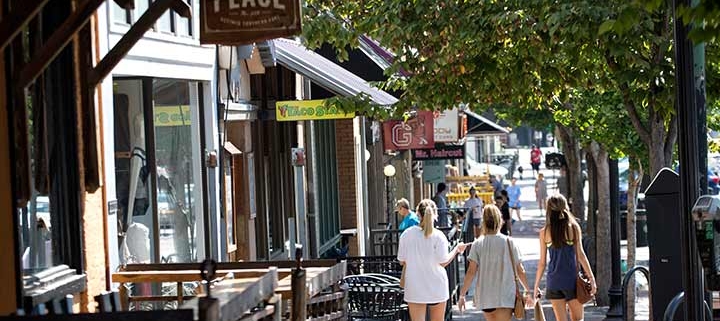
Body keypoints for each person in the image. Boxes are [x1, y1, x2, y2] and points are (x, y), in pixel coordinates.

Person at [457, 205, 531, 321]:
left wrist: (462, 295)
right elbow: (520, 270)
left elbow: (471, 272)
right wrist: (528, 290)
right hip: (504, 295)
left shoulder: (478, 244)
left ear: (484, 222)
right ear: (499, 220)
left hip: (486, 297)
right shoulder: (509, 242)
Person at [398, 199, 469, 321]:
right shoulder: (439, 236)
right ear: (435, 214)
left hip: (414, 286)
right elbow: (443, 262)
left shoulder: (406, 235)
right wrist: (456, 250)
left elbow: (402, 261)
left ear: (418, 214)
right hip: (437, 286)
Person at [533, 194, 597, 321]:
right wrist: (591, 279)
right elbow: (581, 256)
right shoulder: (573, 228)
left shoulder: (544, 232)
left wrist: (536, 286)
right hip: (572, 281)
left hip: (554, 282)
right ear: (565, 207)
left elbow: (542, 263)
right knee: (578, 319)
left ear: (548, 210)